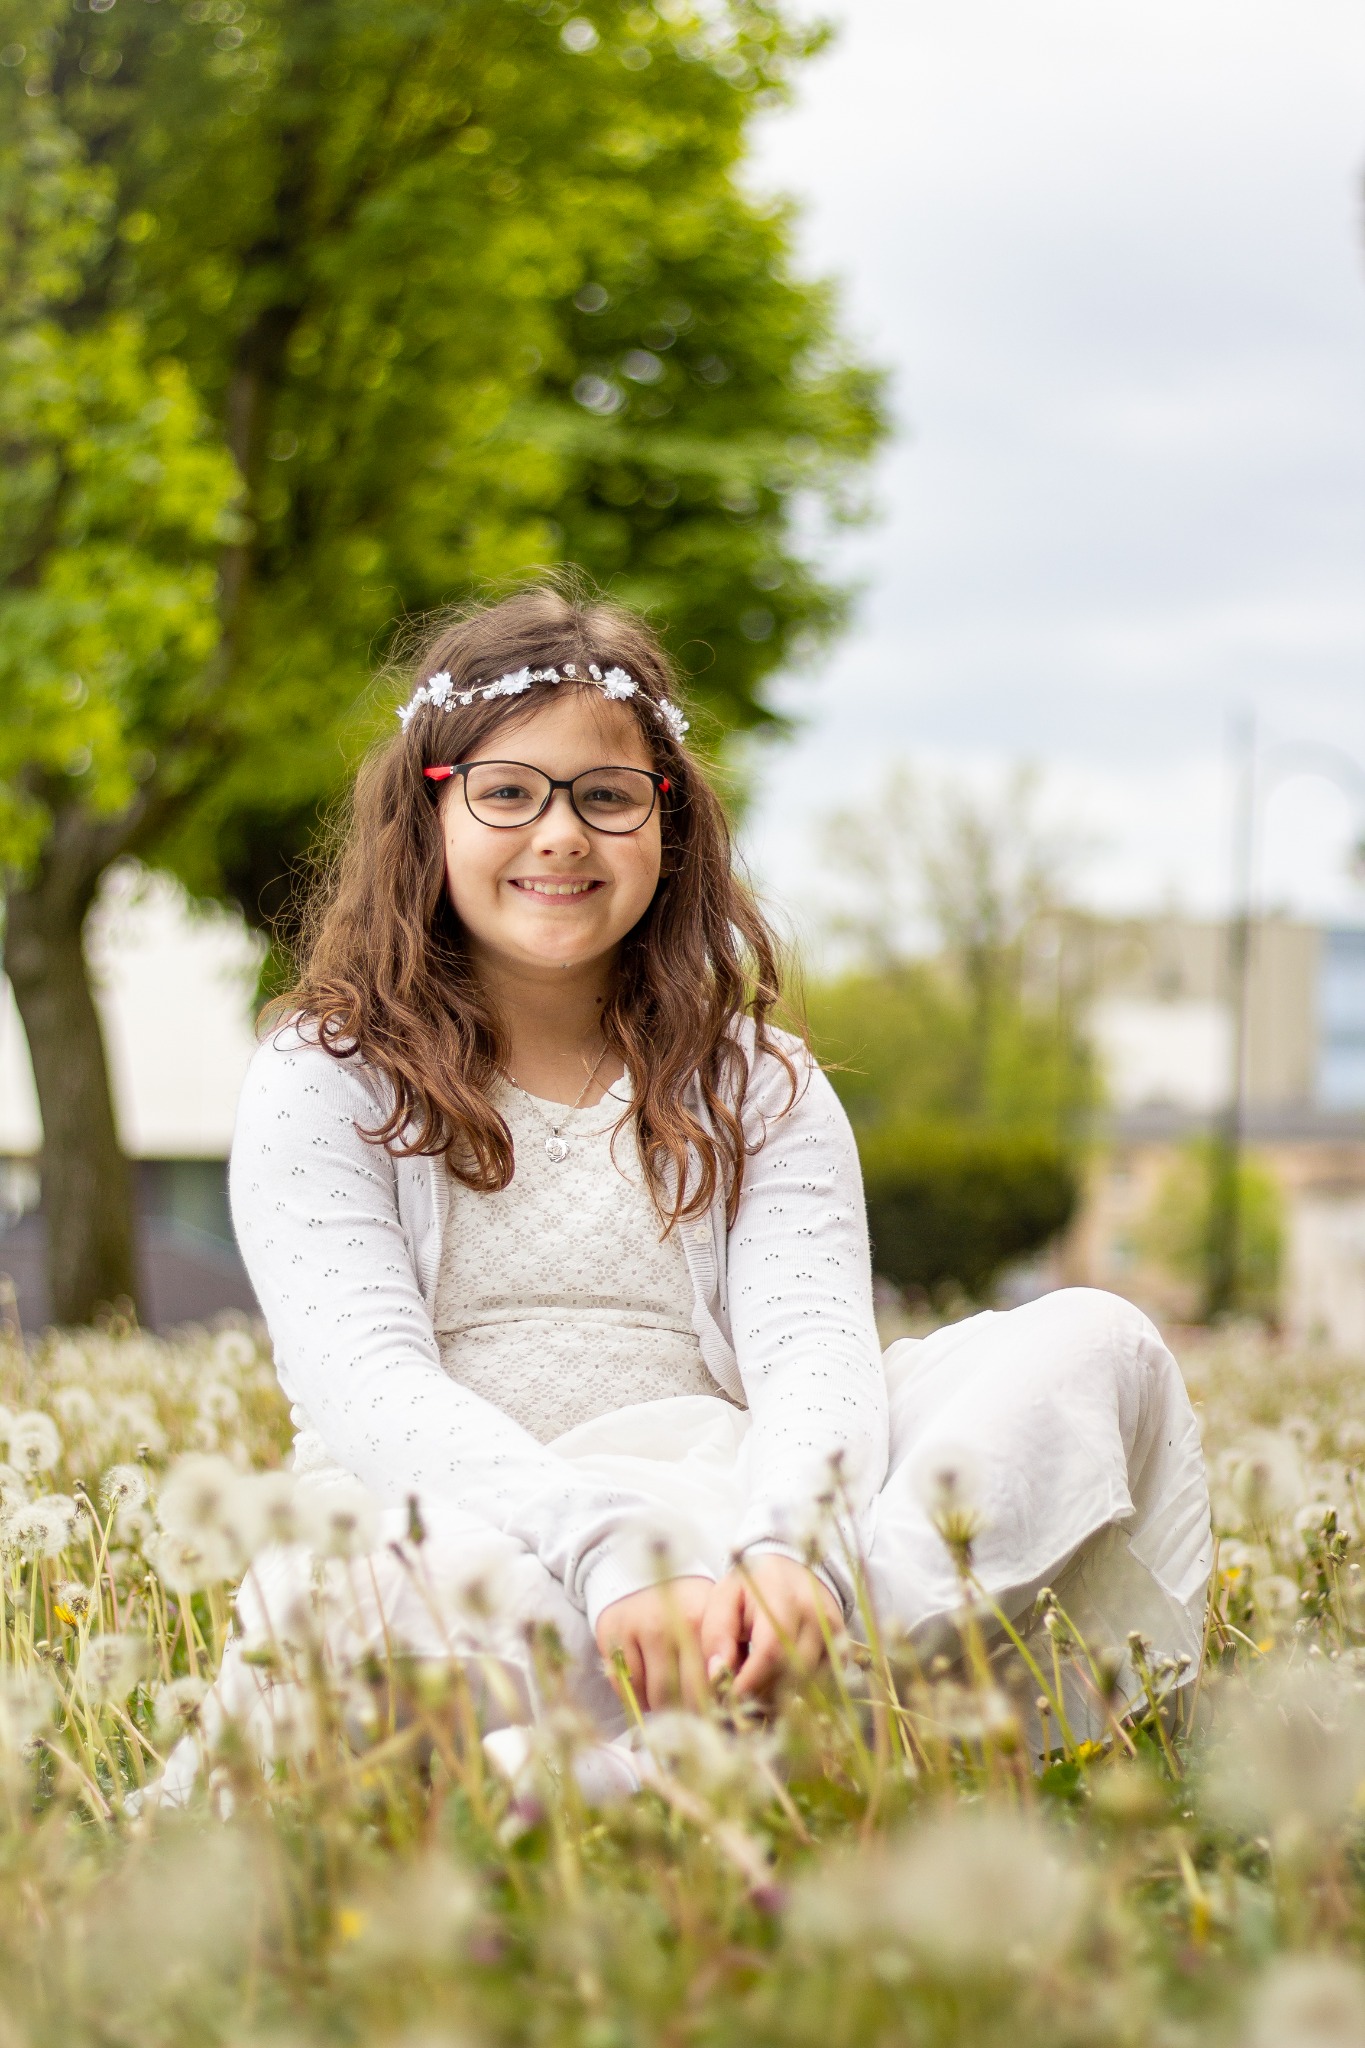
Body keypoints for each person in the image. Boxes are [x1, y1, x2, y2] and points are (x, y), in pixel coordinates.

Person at [225, 582, 1211, 1745]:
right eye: (506, 792)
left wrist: (795, 1546)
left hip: (738, 1519)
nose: (559, 833)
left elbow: (813, 1355)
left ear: (669, 824)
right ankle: (793, 1737)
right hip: (472, 1530)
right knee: (351, 1591)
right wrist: (609, 1551)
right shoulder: (324, 1072)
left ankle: (753, 1684)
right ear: (428, 816)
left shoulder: (758, 1079)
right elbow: (367, 1389)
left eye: (607, 795)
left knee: (1094, 1339)